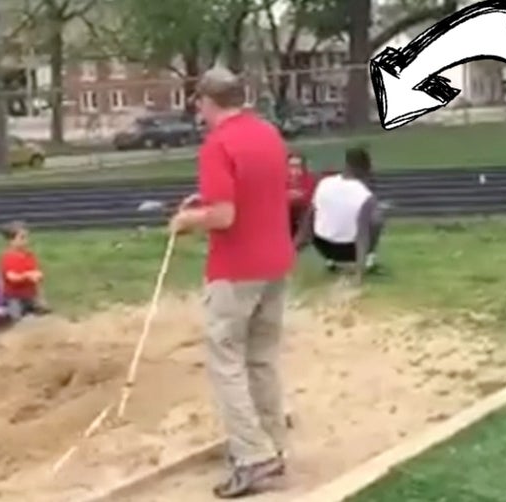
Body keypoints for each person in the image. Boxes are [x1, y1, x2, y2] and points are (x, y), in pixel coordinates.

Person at [169, 67, 294, 498]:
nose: (197, 110)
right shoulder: (268, 135)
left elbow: (224, 217)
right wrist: (205, 203)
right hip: (276, 260)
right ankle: (272, 444)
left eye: (198, 102)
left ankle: (252, 456)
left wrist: (188, 220)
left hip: (236, 267)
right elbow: (254, 192)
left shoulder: (217, 145)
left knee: (226, 362)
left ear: (207, 101)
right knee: (262, 358)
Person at [294, 146, 384, 282]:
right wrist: (358, 274)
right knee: (376, 218)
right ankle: (368, 260)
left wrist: (294, 248)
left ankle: (331, 262)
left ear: (346, 164)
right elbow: (362, 236)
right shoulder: (365, 196)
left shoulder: (324, 183)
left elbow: (308, 220)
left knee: (315, 210)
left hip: (323, 246)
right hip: (349, 250)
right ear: (366, 169)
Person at [0, 221, 50, 318]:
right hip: (14, 297)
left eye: (27, 237)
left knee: (43, 311)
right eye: (22, 237)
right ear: (11, 240)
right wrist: (27, 275)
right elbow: (11, 277)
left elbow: (36, 273)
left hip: (29, 295)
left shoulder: (29, 255)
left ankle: (31, 311)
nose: (26, 240)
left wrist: (38, 275)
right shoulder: (8, 257)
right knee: (15, 316)